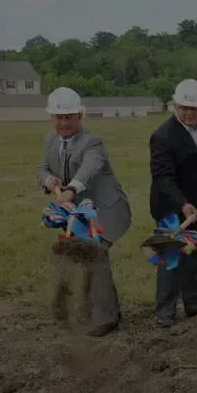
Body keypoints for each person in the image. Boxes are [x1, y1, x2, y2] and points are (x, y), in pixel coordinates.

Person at [36, 86, 132, 337]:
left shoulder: (92, 143)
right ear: (52, 118)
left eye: (69, 117)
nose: (64, 122)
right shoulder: (50, 141)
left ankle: (106, 318)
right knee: (84, 257)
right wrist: (50, 182)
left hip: (109, 211)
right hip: (80, 214)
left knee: (94, 255)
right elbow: (42, 169)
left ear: (81, 116)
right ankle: (95, 309)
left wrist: (68, 190)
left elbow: (88, 170)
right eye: (59, 117)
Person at [149, 79, 197, 327]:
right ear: (174, 105)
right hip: (171, 207)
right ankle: (165, 311)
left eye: (193, 109)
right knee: (171, 259)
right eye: (182, 108)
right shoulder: (162, 136)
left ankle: (194, 304)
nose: (188, 113)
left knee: (194, 256)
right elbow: (163, 177)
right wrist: (182, 205)